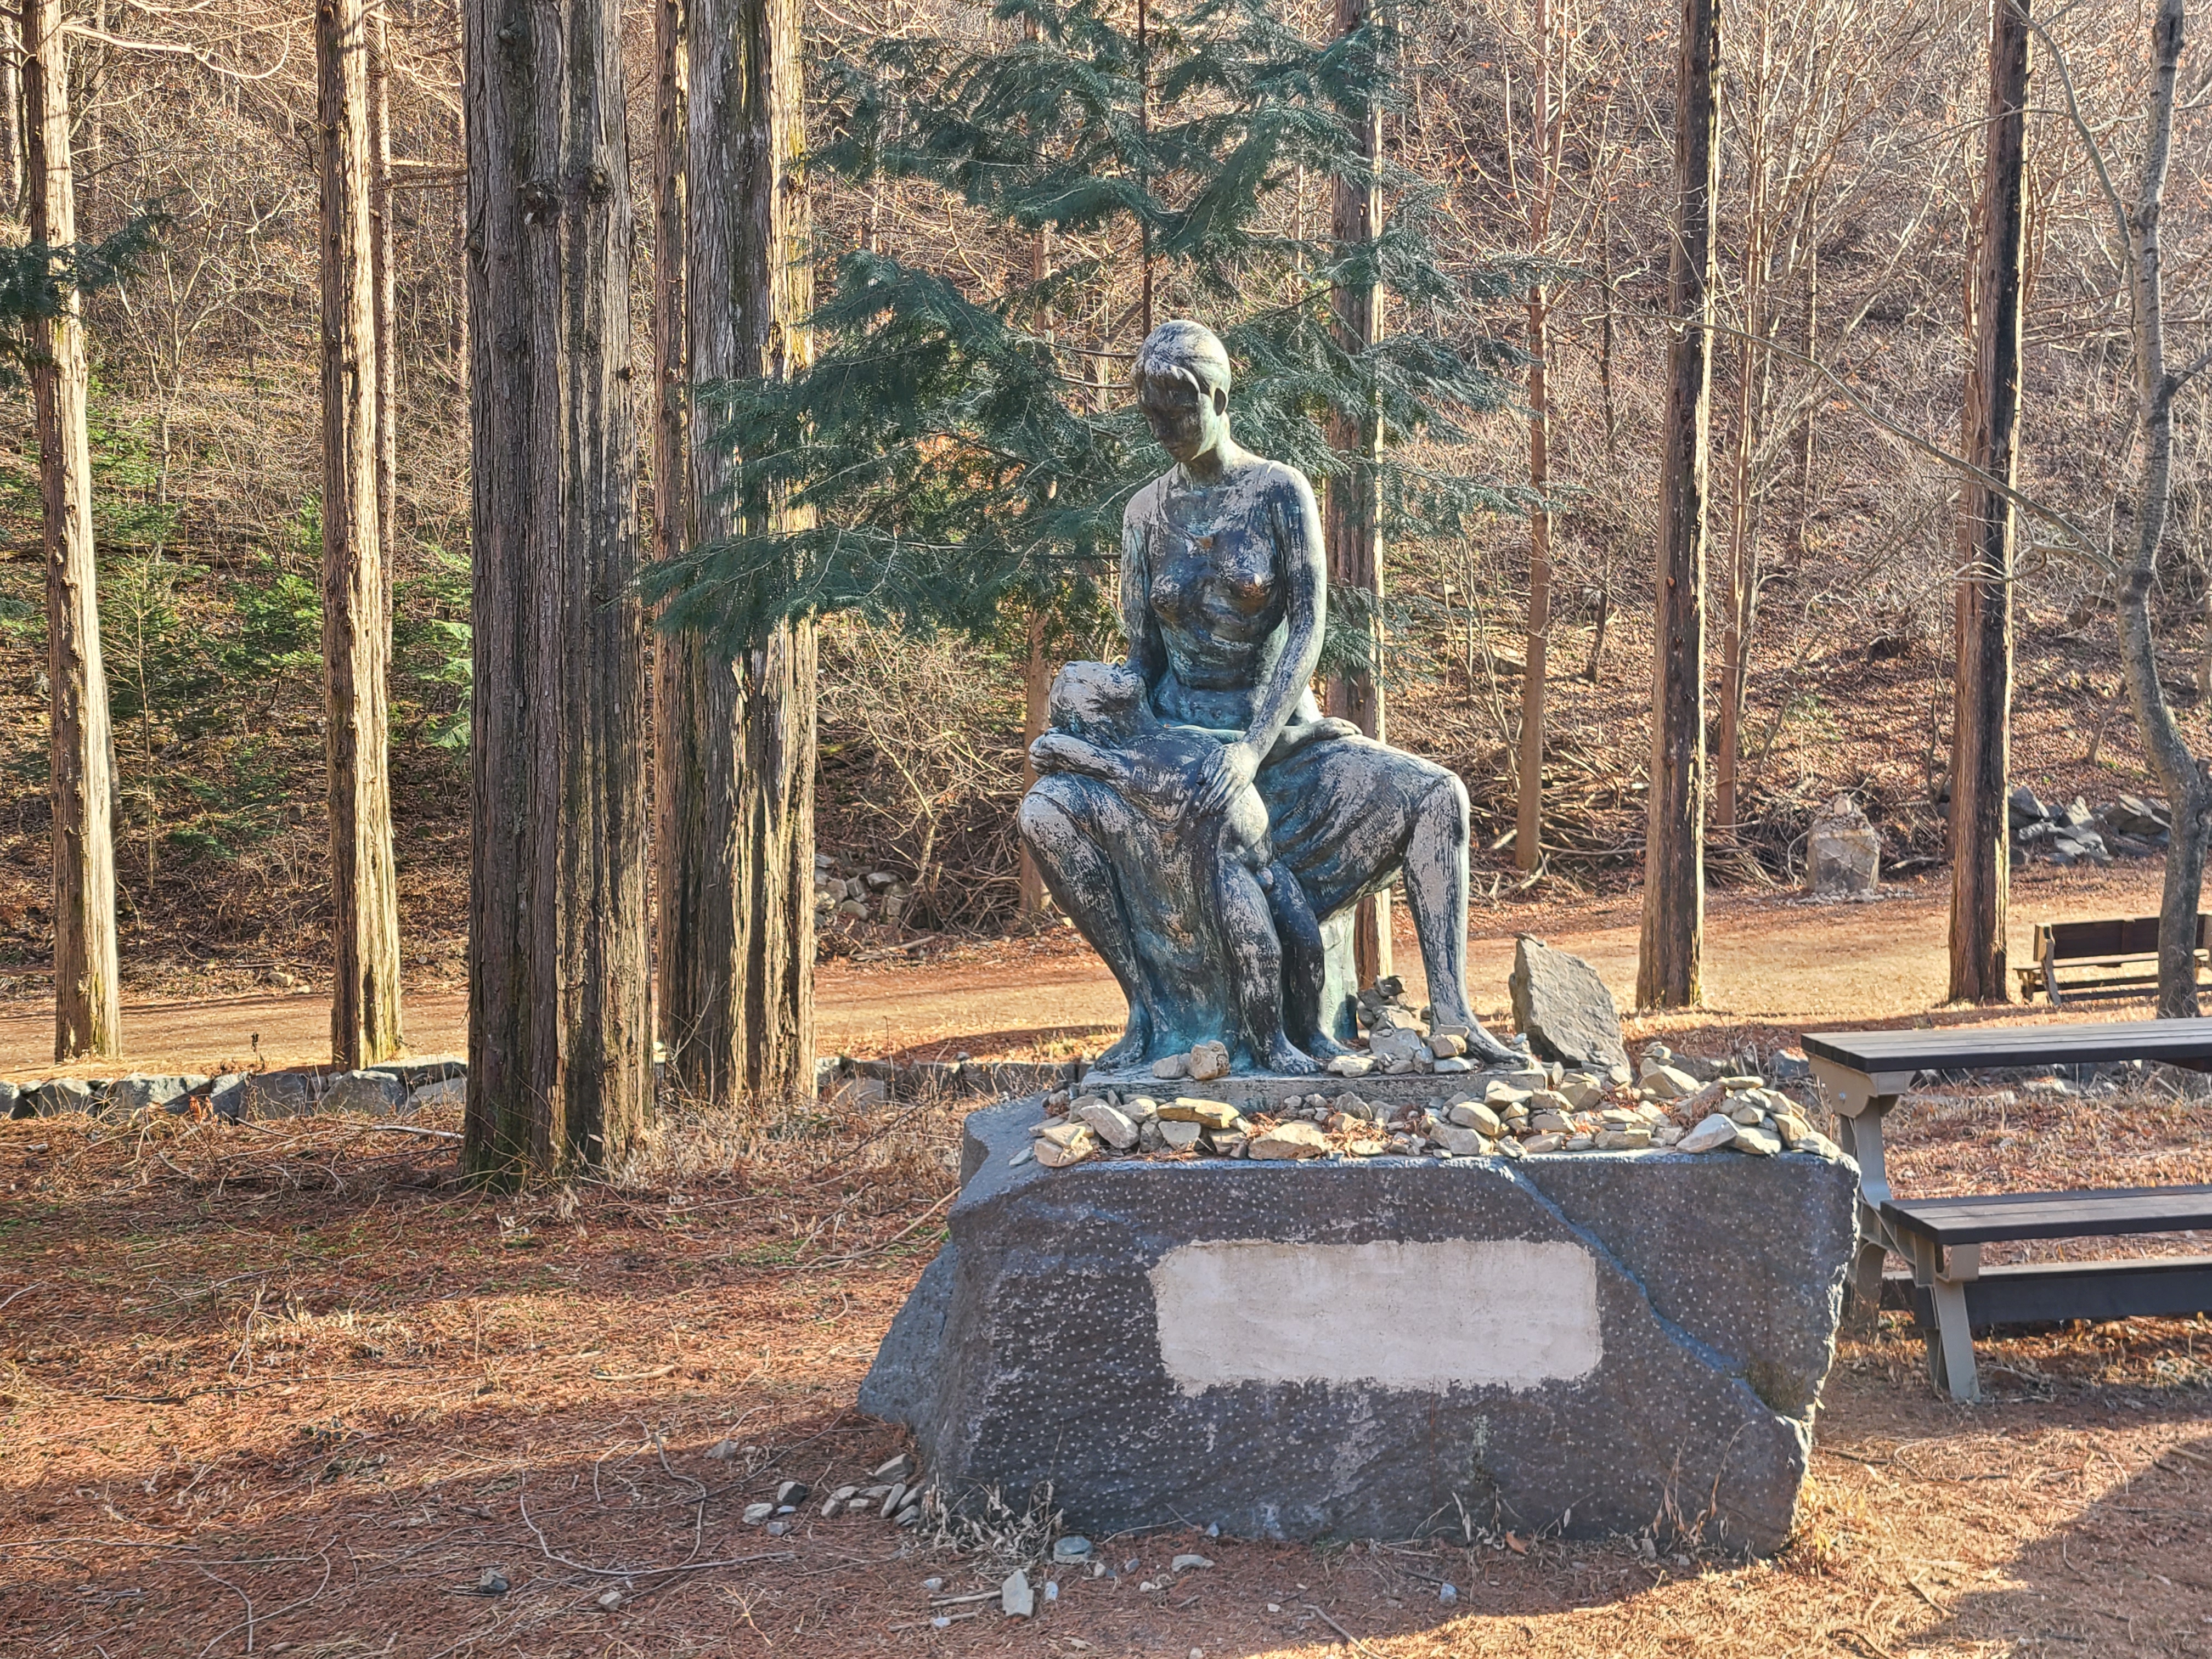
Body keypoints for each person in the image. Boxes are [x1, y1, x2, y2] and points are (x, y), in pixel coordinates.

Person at [1021, 318, 1517, 1069]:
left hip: (1279, 745)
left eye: (1177, 410)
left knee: (1438, 796)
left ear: (1219, 399)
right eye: (1150, 414)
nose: (1162, 429)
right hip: (1184, 757)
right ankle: (1150, 1014)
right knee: (1046, 811)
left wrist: (1252, 749)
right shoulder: (1143, 514)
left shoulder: (1278, 491)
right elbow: (1143, 658)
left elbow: (1310, 628)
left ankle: (1453, 1013)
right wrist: (1093, 725)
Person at [1031, 660, 1325, 1075]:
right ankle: (1272, 1046)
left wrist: (1312, 735)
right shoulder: (1121, 759)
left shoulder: (1169, 732)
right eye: (1095, 674)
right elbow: (1163, 797)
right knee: (1260, 952)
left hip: (1267, 860)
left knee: (1308, 946)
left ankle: (1313, 1034)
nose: (1113, 666)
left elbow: (1238, 743)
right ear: (1095, 709)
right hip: (1228, 869)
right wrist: (1088, 758)